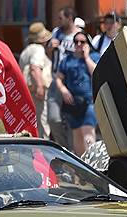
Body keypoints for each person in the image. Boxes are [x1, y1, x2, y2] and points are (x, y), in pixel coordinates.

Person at [55, 31, 99, 156]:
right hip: (73, 103)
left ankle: (93, 165)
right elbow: (58, 78)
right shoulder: (67, 60)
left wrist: (86, 57)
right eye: (76, 42)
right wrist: (63, 90)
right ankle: (81, 167)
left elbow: (96, 74)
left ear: (88, 43)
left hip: (89, 102)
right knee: (77, 137)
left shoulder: (94, 56)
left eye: (82, 41)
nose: (79, 44)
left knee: (88, 134)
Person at [47, 7, 80, 149]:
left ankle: (72, 152)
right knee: (53, 118)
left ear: (70, 18)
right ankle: (63, 147)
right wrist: (49, 48)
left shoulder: (80, 37)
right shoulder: (56, 33)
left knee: (72, 120)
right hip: (56, 80)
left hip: (72, 83)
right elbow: (49, 55)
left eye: (61, 18)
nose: (58, 21)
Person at [19, 22, 52, 139]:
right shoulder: (38, 49)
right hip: (37, 91)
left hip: (28, 90)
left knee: (33, 120)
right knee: (42, 121)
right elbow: (35, 67)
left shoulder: (26, 51)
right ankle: (44, 149)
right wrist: (40, 87)